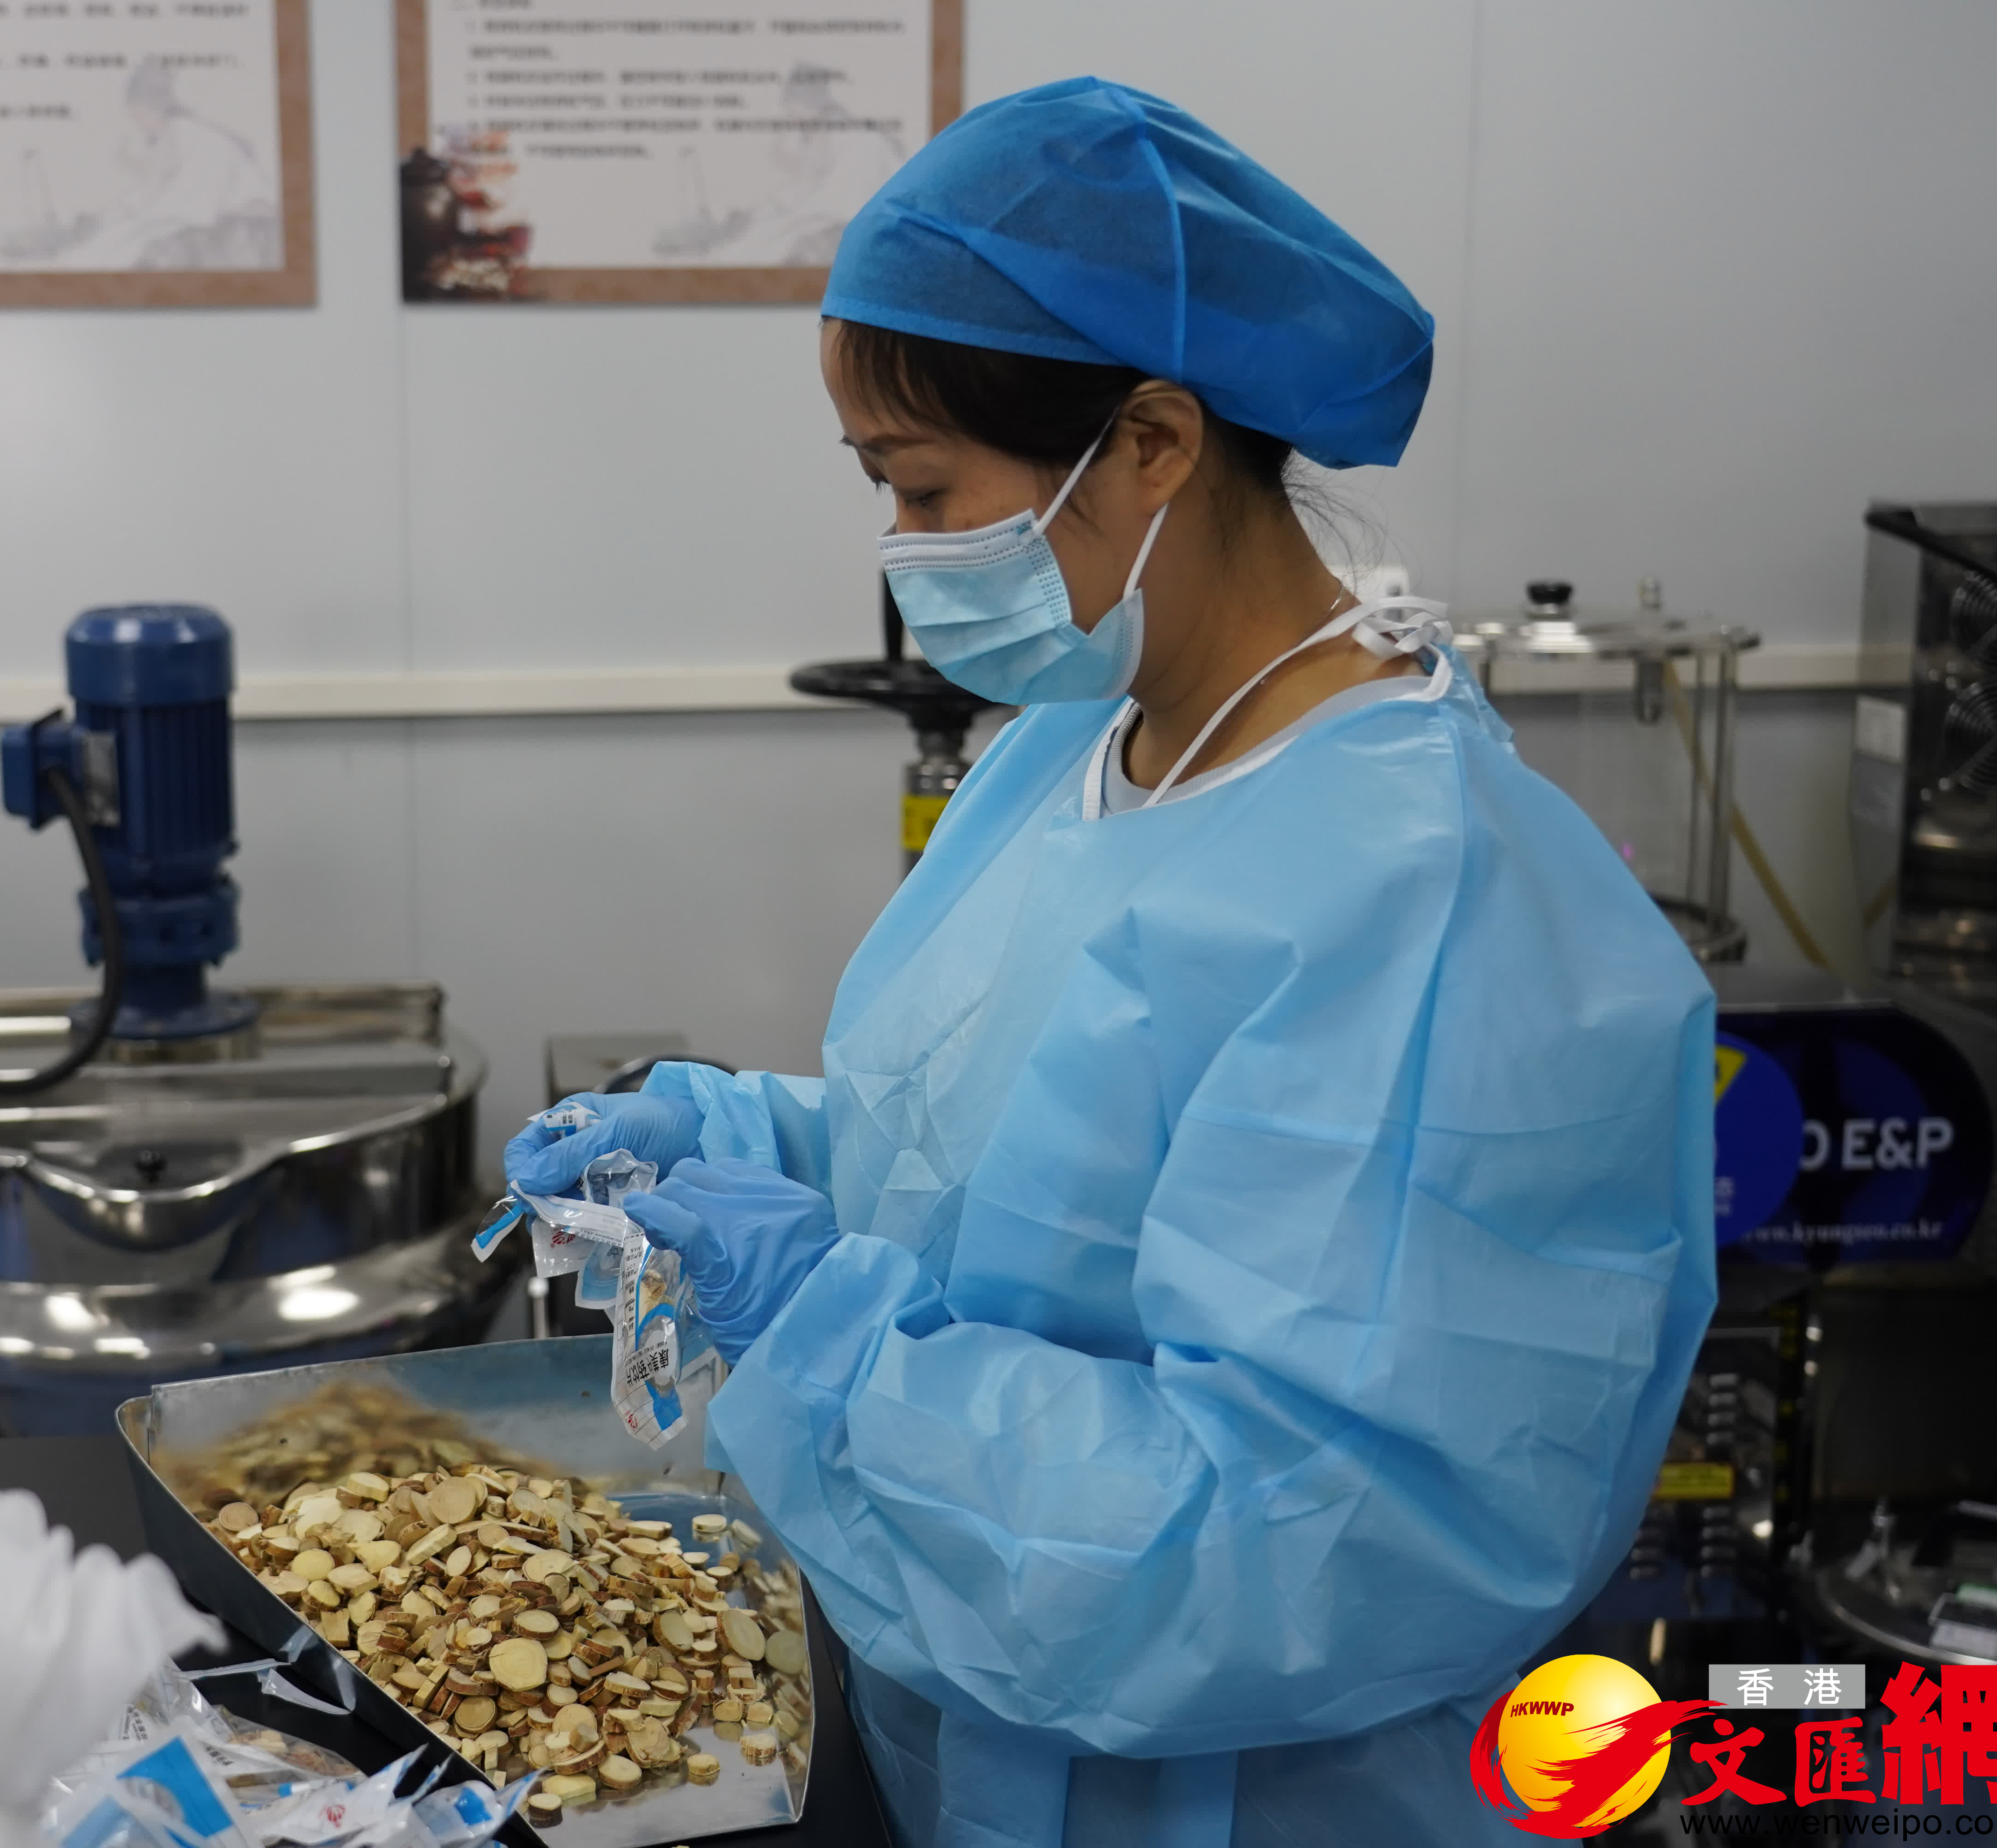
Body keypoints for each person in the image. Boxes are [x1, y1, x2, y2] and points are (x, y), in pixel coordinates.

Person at [504, 78, 1715, 1848]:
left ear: (1152, 442)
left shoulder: (1424, 899)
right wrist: (754, 1146)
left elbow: (1288, 1548)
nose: (910, 551)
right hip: (975, 1754)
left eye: (926, 488)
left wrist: (819, 1335)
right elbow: (1014, 1177)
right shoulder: (1075, 756)